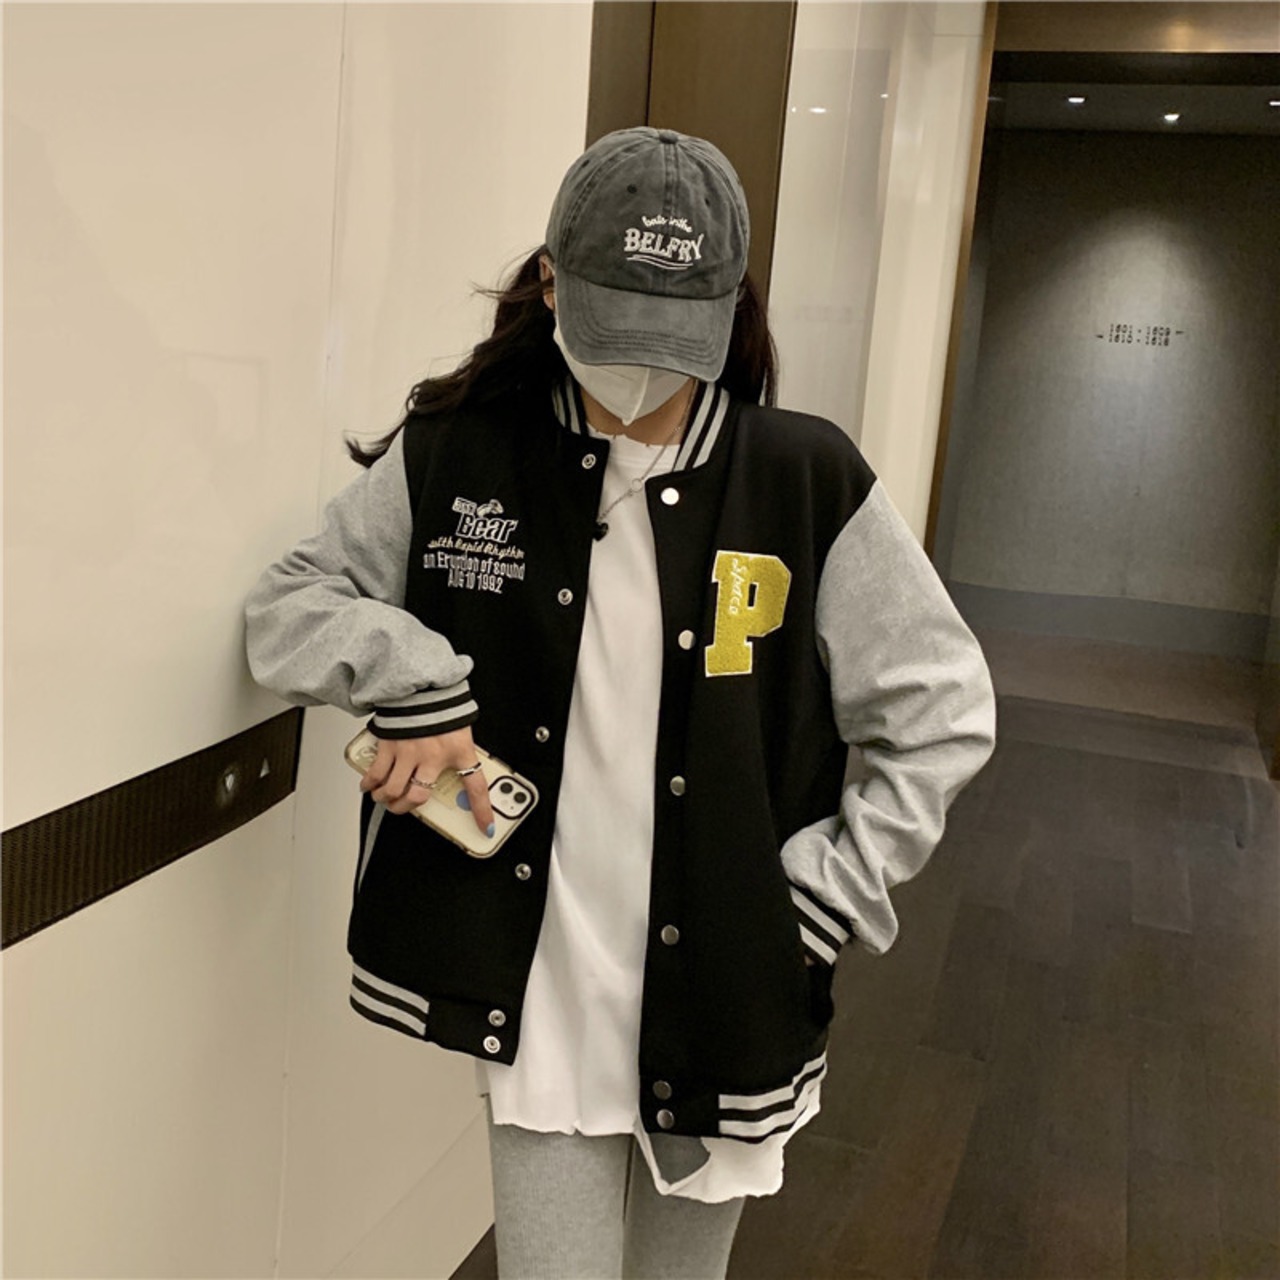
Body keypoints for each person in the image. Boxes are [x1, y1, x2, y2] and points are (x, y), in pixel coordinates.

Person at [245, 126, 996, 1280]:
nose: (641, 371)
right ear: (550, 282)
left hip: (728, 990)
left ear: (728, 309)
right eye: (614, 323)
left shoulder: (804, 479)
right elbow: (289, 608)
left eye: (674, 333)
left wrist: (826, 890)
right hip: (542, 986)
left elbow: (943, 707)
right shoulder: (457, 454)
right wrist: (415, 683)